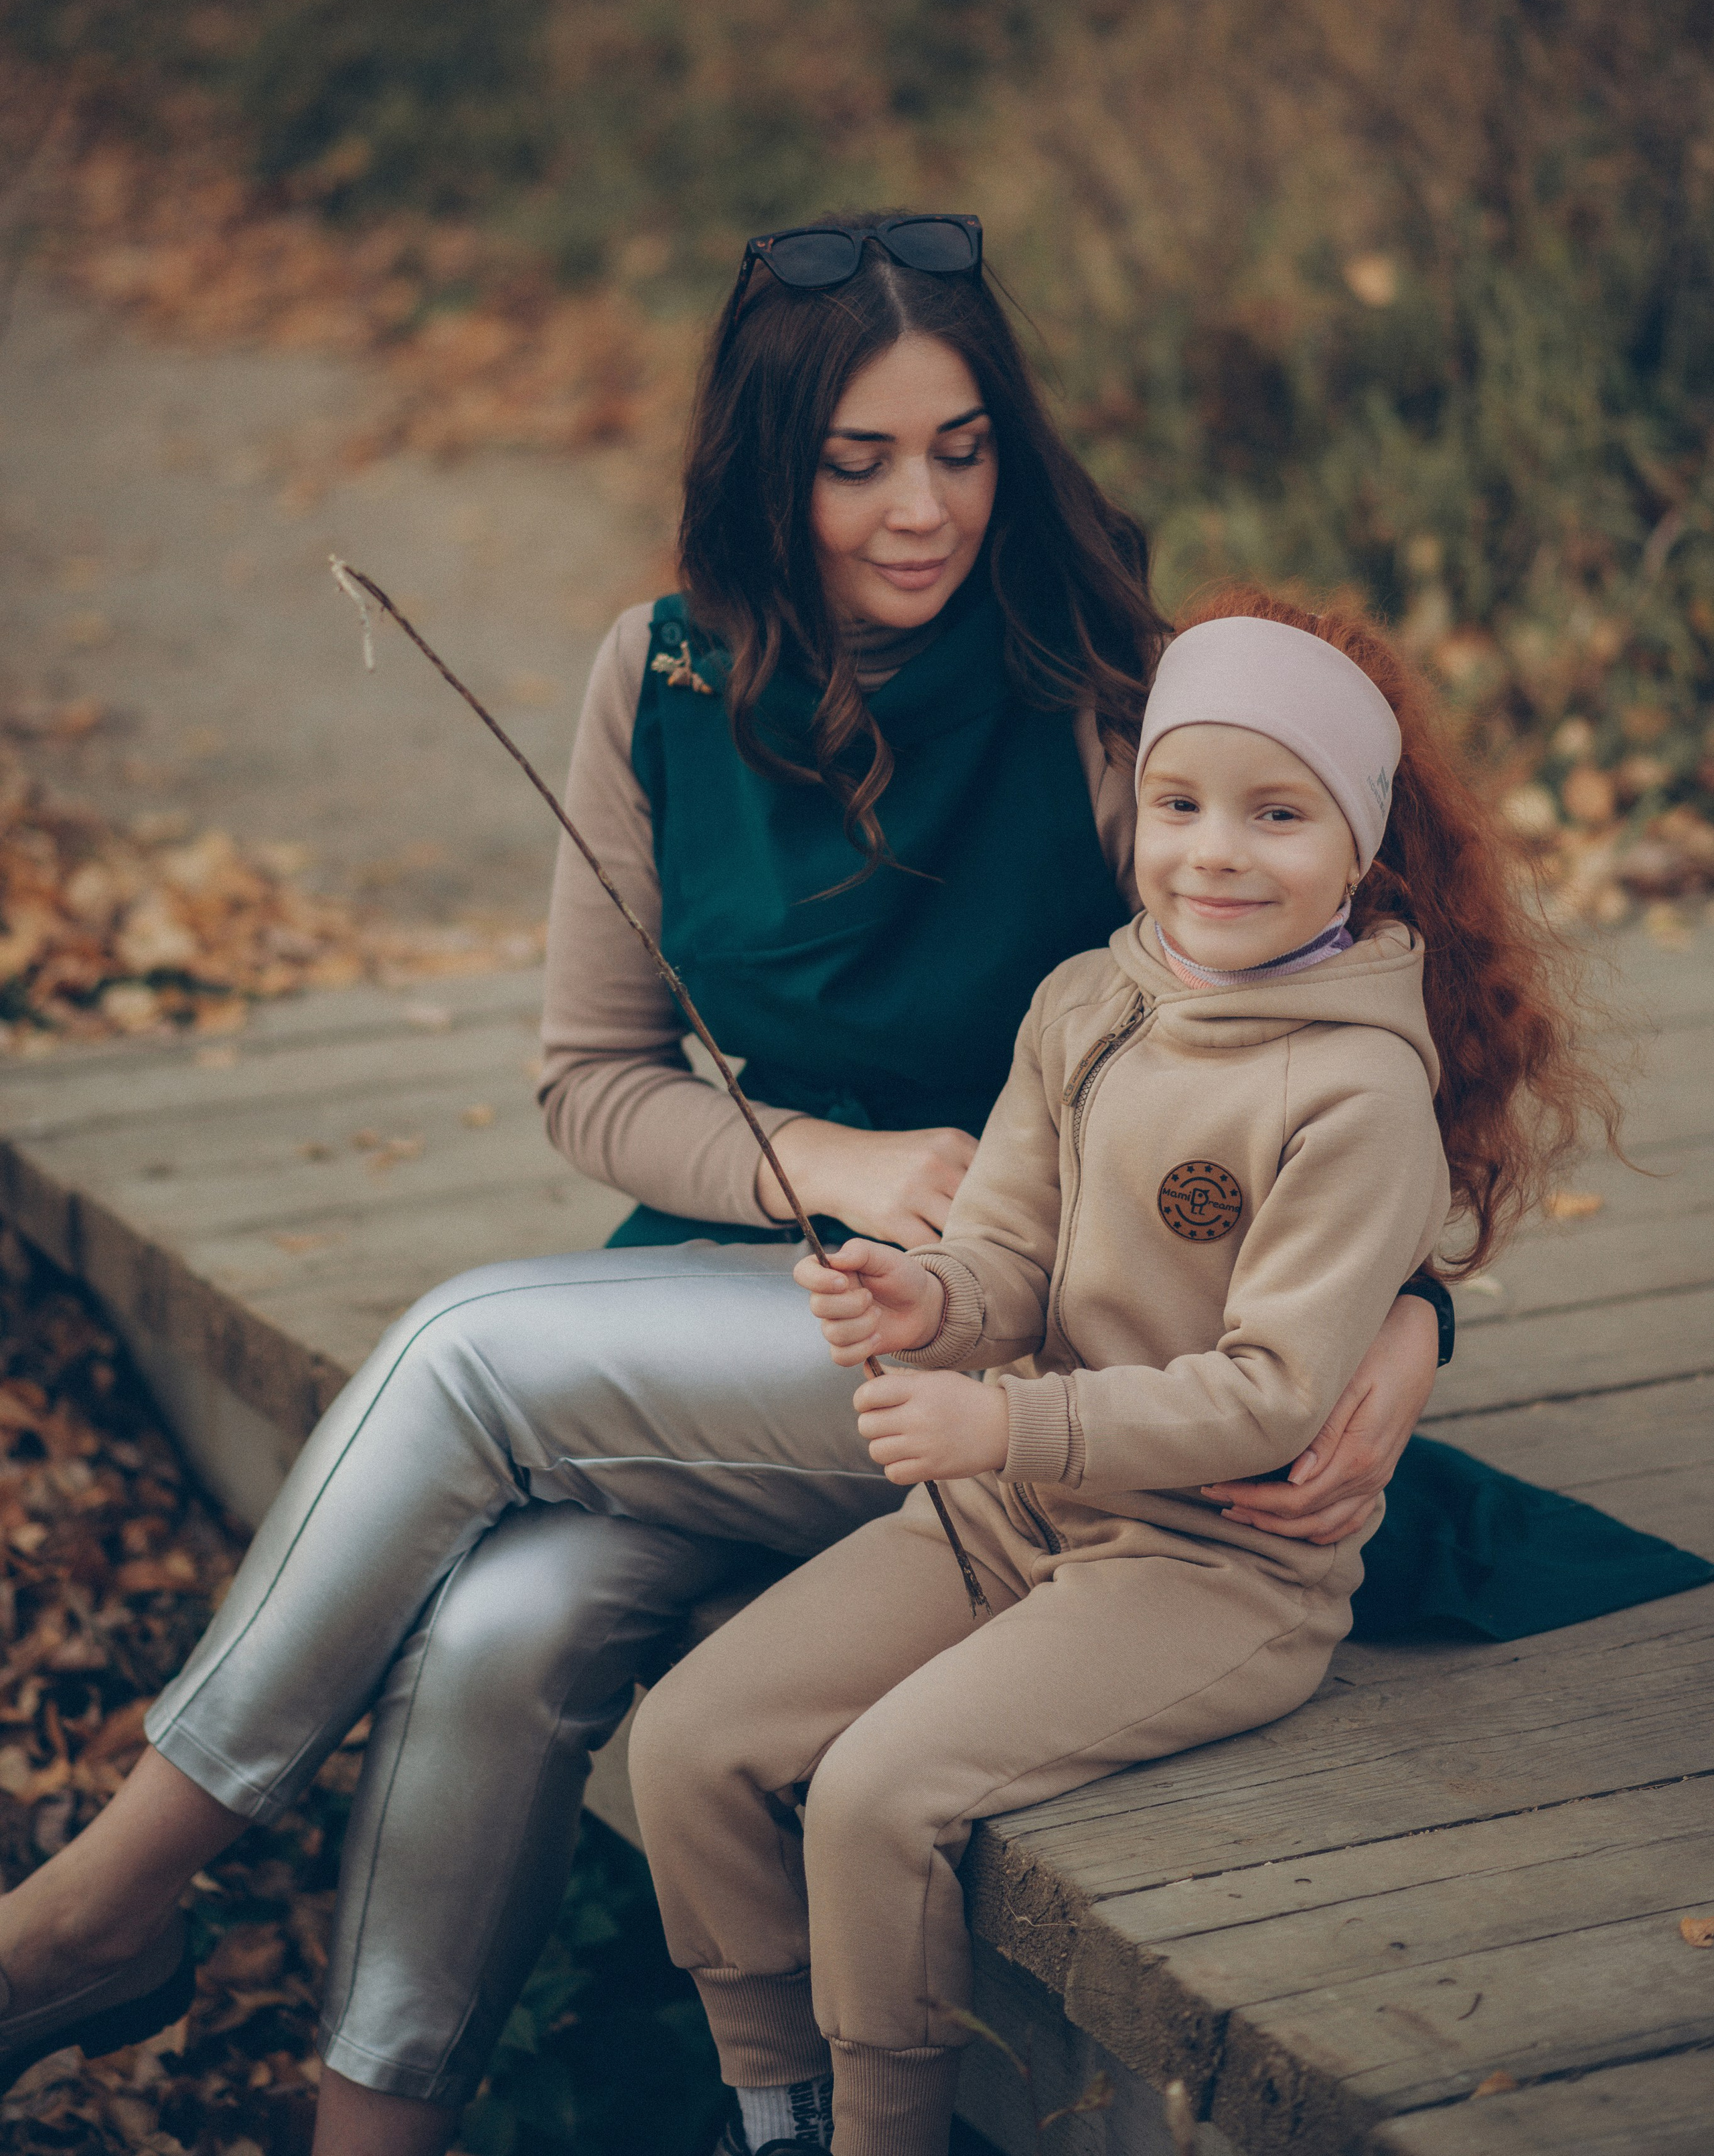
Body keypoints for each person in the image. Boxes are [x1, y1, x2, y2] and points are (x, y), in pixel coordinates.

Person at [0, 221, 1464, 2143]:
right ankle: (377, 2123)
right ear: (767, 462)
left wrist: (1417, 1315)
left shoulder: (1107, 700)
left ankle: (96, 1912)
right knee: (509, 1619)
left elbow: (1349, 1032)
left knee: (461, 1356)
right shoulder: (663, 675)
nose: (920, 507)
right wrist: (830, 1164)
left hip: (1024, 1348)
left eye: (963, 446)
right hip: (778, 1282)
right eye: (858, 459)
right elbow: (593, 1084)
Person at [627, 590, 1622, 2156]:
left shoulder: (1353, 1091)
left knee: (878, 1794)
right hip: (1010, 1518)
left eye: (1273, 812)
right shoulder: (1087, 1000)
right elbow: (1008, 1259)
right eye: (1177, 804)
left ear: (1355, 842)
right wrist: (925, 1296)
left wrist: (997, 1414)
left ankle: (878, 2132)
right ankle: (773, 2098)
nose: (1213, 852)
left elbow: (1268, 1394)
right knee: (685, 1743)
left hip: (1211, 1570)